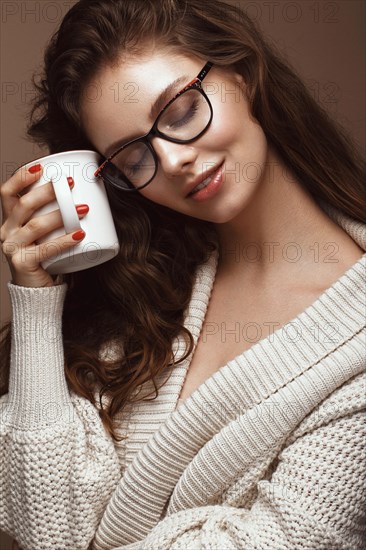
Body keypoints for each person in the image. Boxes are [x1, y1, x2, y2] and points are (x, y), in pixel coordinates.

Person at [0, 0, 365, 548]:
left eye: (180, 112)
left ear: (241, 71)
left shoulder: (356, 346)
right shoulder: (142, 284)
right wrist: (35, 304)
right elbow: (46, 523)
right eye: (132, 157)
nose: (171, 161)